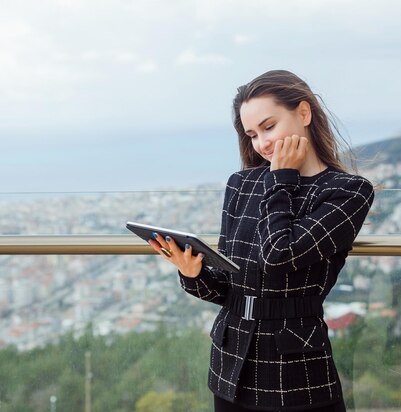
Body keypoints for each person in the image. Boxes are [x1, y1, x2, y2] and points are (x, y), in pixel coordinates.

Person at [148, 70, 374, 411]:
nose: (262, 143)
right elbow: (228, 288)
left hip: (296, 371)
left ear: (304, 113)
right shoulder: (242, 184)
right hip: (229, 364)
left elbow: (280, 254)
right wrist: (192, 273)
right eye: (252, 134)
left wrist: (282, 178)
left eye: (269, 127)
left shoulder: (348, 192)